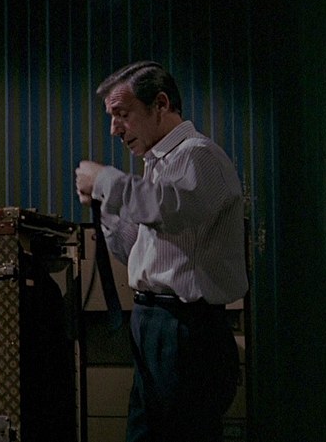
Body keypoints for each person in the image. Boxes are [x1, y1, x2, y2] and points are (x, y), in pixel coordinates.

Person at [75, 61, 247, 442]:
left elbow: (170, 208)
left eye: (123, 114)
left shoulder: (198, 156)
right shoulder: (159, 166)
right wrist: (105, 208)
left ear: (161, 105)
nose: (114, 129)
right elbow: (139, 251)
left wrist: (104, 180)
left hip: (187, 330)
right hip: (155, 324)